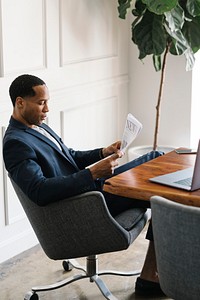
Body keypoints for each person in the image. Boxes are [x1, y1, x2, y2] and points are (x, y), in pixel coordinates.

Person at [3, 74, 164, 296]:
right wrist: (91, 174)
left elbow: (69, 156)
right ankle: (152, 276)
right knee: (158, 173)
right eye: (41, 103)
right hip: (85, 205)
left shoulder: (36, 126)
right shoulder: (15, 143)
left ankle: (152, 273)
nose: (47, 109)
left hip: (91, 191)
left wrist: (102, 152)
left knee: (156, 163)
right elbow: (40, 191)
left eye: (48, 102)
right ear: (20, 102)